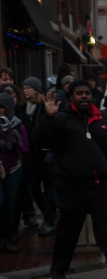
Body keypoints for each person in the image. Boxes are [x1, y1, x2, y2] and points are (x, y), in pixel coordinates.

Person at [35, 80, 107, 279]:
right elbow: (42, 140)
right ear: (71, 96)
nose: (84, 97)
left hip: (100, 184)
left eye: (87, 93)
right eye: (79, 93)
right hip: (72, 187)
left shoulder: (103, 118)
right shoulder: (62, 119)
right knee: (68, 231)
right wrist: (48, 117)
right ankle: (59, 270)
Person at [22, 77, 56, 236]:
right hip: (31, 156)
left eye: (28, 87)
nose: (25, 90)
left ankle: (49, 220)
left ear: (36, 89)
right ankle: (49, 216)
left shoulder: (43, 106)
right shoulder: (23, 108)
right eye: (24, 88)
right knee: (34, 189)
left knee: (49, 188)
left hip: (44, 154)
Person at [0, 93, 29, 252]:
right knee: (1, 203)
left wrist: (16, 141)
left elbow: (26, 151)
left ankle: (10, 236)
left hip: (13, 169)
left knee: (11, 204)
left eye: (1, 107)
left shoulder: (18, 125)